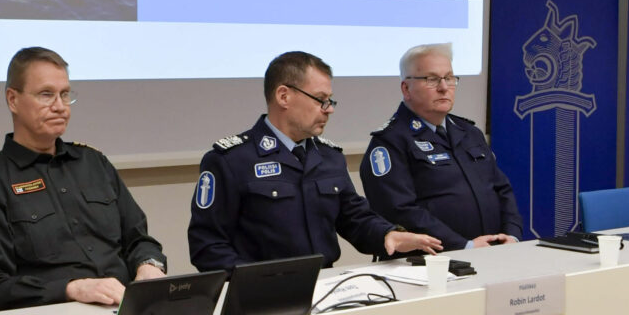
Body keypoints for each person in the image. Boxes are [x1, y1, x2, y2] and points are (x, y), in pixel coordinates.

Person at [0, 47, 166, 315]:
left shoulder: (94, 163)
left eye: (65, 94)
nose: (60, 106)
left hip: (122, 311)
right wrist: (70, 289)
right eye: (46, 94)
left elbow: (138, 239)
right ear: (13, 100)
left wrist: (149, 266)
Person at [188, 51, 441, 270]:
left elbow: (354, 218)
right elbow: (207, 245)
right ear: (284, 96)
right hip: (260, 297)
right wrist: (255, 282)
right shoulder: (231, 160)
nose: (329, 109)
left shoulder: (329, 157)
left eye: (330, 101)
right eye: (321, 100)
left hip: (324, 287)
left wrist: (388, 234)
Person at [361, 43, 522, 248]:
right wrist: (464, 246)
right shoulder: (390, 141)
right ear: (406, 88)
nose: (444, 87)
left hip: (492, 253)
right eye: (432, 79)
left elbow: (502, 189)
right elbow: (398, 210)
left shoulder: (470, 132)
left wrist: (511, 235)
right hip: (430, 260)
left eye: (449, 78)